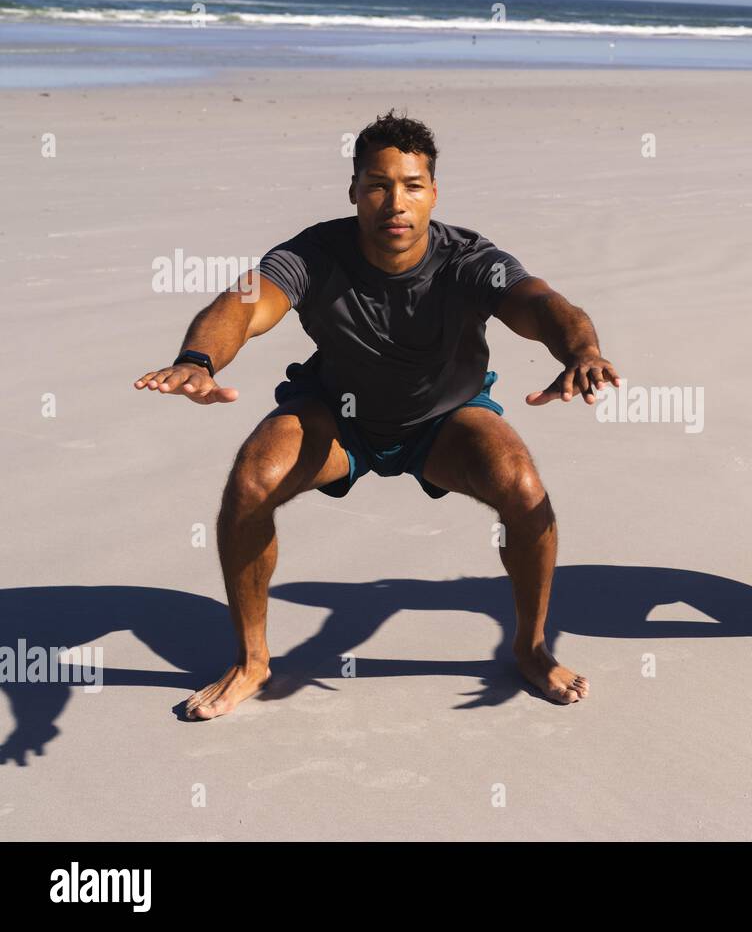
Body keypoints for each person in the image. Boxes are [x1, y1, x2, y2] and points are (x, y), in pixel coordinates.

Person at [134, 110, 619, 716]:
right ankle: (252, 660)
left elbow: (540, 303)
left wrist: (582, 351)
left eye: (412, 186)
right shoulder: (314, 253)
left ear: (433, 193)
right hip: (338, 419)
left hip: (445, 422)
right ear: (355, 191)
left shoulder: (468, 258)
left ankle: (531, 647)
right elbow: (245, 304)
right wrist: (199, 358)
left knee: (521, 486)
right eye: (377, 185)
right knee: (252, 479)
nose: (396, 202)